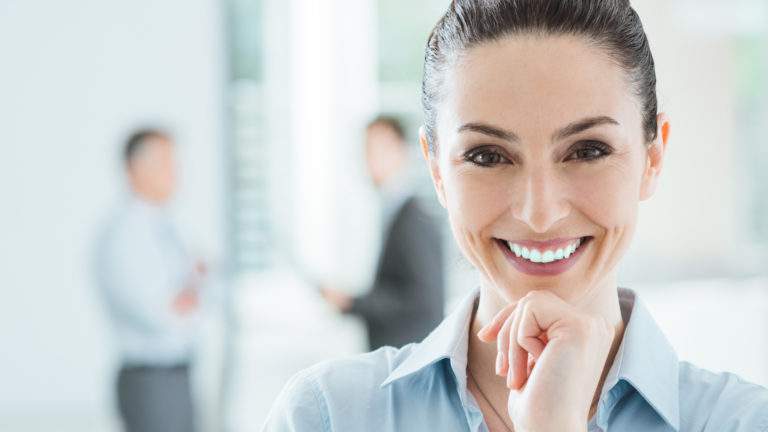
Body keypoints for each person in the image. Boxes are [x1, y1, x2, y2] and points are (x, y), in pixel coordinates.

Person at [264, 1, 768, 431]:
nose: (540, 213)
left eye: (588, 150)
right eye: (487, 156)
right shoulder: (330, 416)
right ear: (437, 171)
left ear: (652, 159)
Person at [96, 128, 204, 432]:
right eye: (164, 164)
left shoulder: (166, 226)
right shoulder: (124, 234)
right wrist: (191, 293)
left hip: (177, 377)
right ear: (134, 168)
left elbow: (193, 297)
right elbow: (161, 314)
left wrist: (191, 293)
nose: (174, 173)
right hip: (150, 382)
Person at [320, 115, 445, 350]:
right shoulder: (393, 213)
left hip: (408, 359)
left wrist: (352, 303)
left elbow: (422, 301)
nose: (368, 159)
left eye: (377, 149)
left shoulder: (414, 220)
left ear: (401, 151)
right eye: (365, 150)